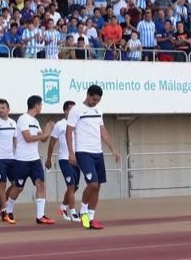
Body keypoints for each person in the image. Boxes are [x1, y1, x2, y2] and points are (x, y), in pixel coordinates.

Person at [66, 84, 121, 230]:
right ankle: (83, 210)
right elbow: (69, 132)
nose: (95, 102)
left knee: (98, 187)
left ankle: (90, 218)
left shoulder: (98, 110)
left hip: (98, 152)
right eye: (94, 99)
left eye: (98, 100)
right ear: (88, 95)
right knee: (93, 184)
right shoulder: (76, 110)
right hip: (83, 152)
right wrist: (71, 153)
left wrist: (113, 149)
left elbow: (102, 131)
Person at [11, 95, 55, 225]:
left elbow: (43, 139)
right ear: (36, 105)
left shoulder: (35, 121)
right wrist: (45, 134)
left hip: (34, 159)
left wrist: (47, 130)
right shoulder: (23, 119)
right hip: (22, 160)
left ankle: (40, 216)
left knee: (40, 184)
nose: (41, 107)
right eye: (40, 105)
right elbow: (28, 138)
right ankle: (7, 209)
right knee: (18, 188)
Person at [46, 100, 80, 222]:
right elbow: (51, 143)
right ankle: (73, 213)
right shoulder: (60, 125)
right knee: (70, 186)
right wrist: (48, 158)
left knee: (75, 187)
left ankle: (63, 207)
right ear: (65, 111)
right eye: (70, 110)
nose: (73, 112)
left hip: (77, 160)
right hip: (64, 160)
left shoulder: (78, 123)